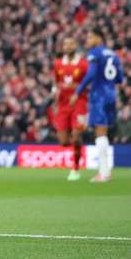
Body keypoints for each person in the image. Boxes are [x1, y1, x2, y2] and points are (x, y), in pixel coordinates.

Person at [72, 29, 124, 183]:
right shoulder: (113, 54)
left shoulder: (95, 53)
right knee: (104, 132)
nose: (87, 40)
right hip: (111, 95)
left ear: (99, 38)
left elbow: (91, 73)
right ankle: (105, 171)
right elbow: (120, 78)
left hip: (98, 96)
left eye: (89, 36)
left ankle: (104, 173)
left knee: (100, 133)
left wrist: (78, 91)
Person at [53, 36, 88, 181]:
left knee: (75, 135)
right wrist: (55, 91)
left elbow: (88, 82)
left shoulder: (83, 64)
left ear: (76, 46)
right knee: (63, 141)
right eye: (65, 43)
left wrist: (79, 90)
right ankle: (77, 146)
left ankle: (75, 168)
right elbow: (56, 81)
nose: (67, 46)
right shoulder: (58, 63)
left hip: (79, 103)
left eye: (70, 43)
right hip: (62, 104)